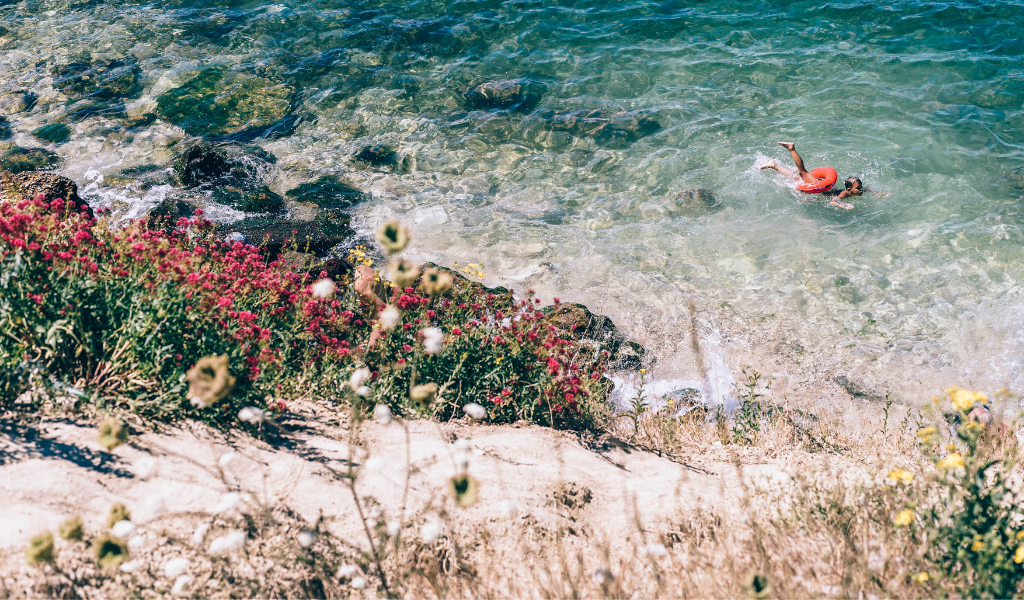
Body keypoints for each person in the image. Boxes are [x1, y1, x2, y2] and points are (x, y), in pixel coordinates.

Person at [761, 142, 863, 210]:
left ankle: (774, 165)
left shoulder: (852, 191)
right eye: (859, 188)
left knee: (797, 178)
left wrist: (875, 192)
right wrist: (846, 207)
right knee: (802, 172)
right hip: (819, 186)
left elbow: (866, 189)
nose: (861, 190)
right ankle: (791, 148)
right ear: (849, 189)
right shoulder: (844, 194)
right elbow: (833, 202)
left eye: (860, 187)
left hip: (821, 186)